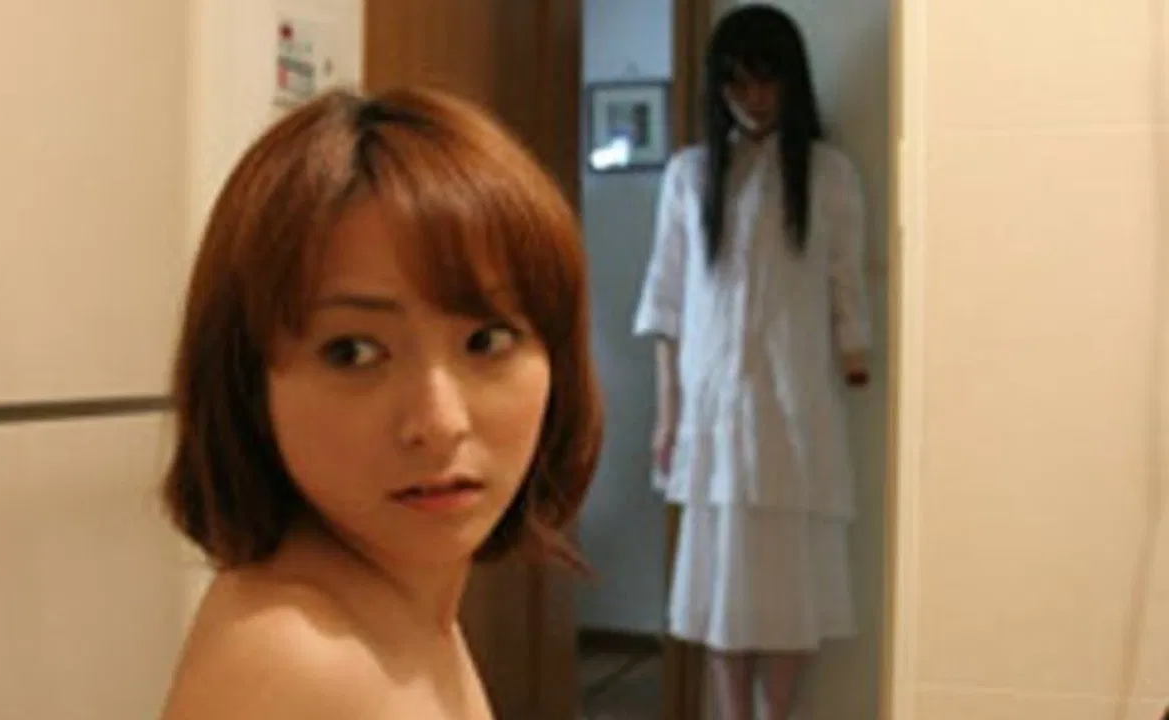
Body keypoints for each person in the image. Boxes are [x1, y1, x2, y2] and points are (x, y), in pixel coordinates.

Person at [158, 87, 602, 719]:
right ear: (249, 383)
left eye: (487, 341)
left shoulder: (397, 604)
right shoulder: (299, 660)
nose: (440, 423)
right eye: (354, 353)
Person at [633, 5, 871, 719]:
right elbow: (666, 302)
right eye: (738, 82)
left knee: (792, 594)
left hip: (796, 404)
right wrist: (667, 415)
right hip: (710, 408)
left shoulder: (827, 174)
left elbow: (846, 278)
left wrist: (855, 354)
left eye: (767, 81)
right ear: (719, 86)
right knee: (717, 592)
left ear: (791, 82)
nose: (754, 97)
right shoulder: (689, 175)